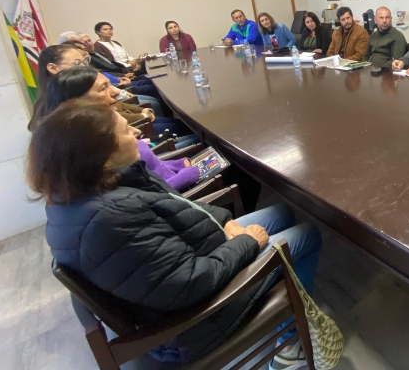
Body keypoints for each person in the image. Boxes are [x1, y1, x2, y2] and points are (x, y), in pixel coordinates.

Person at [29, 101, 321, 367]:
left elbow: (181, 207)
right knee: (308, 235)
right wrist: (247, 242)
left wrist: (227, 222)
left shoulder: (81, 194)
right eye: (125, 131)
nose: (135, 131)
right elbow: (191, 284)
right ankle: (288, 347)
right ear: (101, 158)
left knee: (282, 213)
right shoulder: (110, 218)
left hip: (193, 255)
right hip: (194, 321)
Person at [39, 66, 198, 142]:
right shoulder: (95, 139)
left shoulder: (95, 120)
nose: (116, 92)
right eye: (103, 88)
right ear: (77, 100)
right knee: (199, 139)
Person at [30, 43, 164, 127]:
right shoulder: (62, 99)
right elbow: (106, 117)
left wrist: (141, 112)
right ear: (53, 68)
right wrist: (142, 116)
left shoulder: (76, 84)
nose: (84, 67)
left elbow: (114, 105)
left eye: (84, 61)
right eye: (77, 63)